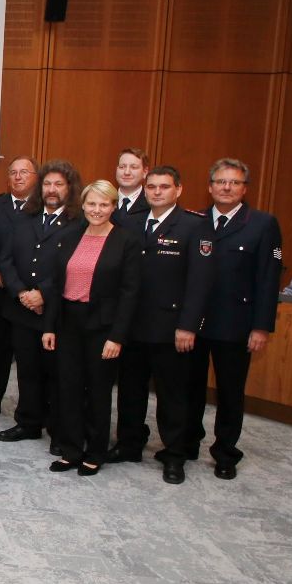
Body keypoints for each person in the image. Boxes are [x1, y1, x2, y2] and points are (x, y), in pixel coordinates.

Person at [110, 166, 214, 484]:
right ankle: (129, 444)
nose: (157, 192)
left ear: (178, 190)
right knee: (130, 390)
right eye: (152, 186)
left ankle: (174, 454)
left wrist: (188, 325)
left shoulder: (194, 226)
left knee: (172, 396)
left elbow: (200, 282)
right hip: (132, 324)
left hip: (171, 328)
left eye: (164, 187)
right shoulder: (129, 221)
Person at [183, 158, 283, 480]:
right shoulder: (194, 221)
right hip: (194, 323)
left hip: (235, 324)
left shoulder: (263, 224)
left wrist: (261, 326)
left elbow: (269, 278)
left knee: (229, 392)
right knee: (190, 388)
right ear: (210, 186)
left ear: (244, 188)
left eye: (234, 182)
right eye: (221, 182)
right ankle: (187, 442)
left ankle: (226, 452)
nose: (227, 187)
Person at [42, 179, 140, 475]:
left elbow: (130, 293)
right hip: (68, 321)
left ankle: (95, 452)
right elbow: (56, 284)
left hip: (103, 326)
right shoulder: (70, 235)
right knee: (68, 387)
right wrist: (49, 327)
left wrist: (117, 337)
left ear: (113, 206)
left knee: (98, 390)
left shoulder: (127, 240)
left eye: (103, 204)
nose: (97, 210)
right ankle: (71, 450)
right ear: (82, 205)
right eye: (91, 204)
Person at [0, 160, 81, 450]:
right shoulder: (24, 219)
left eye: (58, 184)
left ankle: (58, 428)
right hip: (21, 308)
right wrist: (21, 292)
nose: (52, 190)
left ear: (69, 188)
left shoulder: (78, 223)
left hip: (55, 310)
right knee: (27, 368)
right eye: (48, 184)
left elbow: (72, 267)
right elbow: (5, 259)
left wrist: (43, 294)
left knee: (56, 372)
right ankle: (29, 422)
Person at [0, 156, 37, 412]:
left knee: (29, 356)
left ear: (35, 176)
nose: (18, 177)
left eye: (24, 172)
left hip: (29, 292)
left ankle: (30, 410)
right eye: (13, 172)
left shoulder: (42, 206)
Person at [112, 147, 149, 229]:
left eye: (134, 167)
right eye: (122, 167)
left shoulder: (152, 204)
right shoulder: (104, 200)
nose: (126, 172)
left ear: (145, 172)